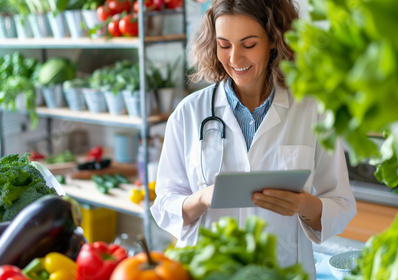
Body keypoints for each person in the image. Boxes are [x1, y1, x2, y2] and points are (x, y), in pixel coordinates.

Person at [150, 0, 356, 278]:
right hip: (209, 270)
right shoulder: (189, 112)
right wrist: (202, 198)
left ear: (274, 40)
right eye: (224, 45)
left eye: (248, 45)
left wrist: (304, 204)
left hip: (283, 270)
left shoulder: (312, 110)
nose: (235, 59)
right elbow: (164, 206)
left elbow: (342, 205)